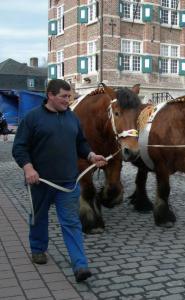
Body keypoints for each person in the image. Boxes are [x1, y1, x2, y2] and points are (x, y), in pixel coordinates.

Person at [12, 79, 108, 282]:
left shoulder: (72, 118)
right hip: (40, 182)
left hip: (67, 183)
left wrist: (91, 156)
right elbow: (19, 147)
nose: (68, 100)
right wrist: (28, 168)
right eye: (64, 96)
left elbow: (81, 143)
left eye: (69, 96)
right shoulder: (32, 118)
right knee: (39, 218)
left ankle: (80, 265)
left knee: (71, 223)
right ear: (50, 95)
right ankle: (38, 248)